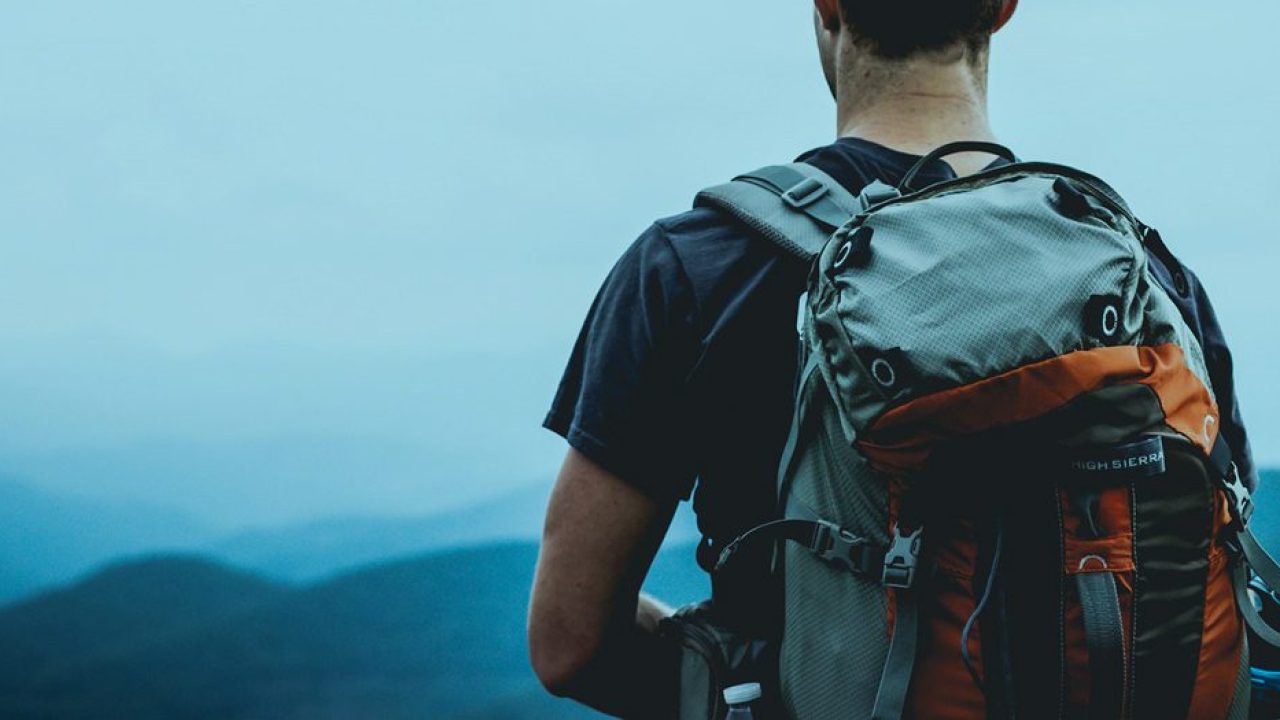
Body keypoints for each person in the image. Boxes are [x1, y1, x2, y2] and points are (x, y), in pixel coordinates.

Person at [527, 1, 1256, 717]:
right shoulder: (1146, 280)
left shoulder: (695, 267)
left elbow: (571, 644)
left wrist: (736, 681)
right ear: (1002, 9)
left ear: (829, 7)